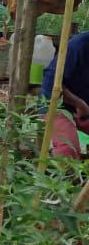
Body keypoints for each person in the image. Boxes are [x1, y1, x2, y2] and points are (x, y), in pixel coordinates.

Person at [41, 31, 89, 159]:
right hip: (57, 104)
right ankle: (63, 176)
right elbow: (52, 84)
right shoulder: (77, 46)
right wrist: (79, 103)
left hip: (85, 109)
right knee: (68, 149)